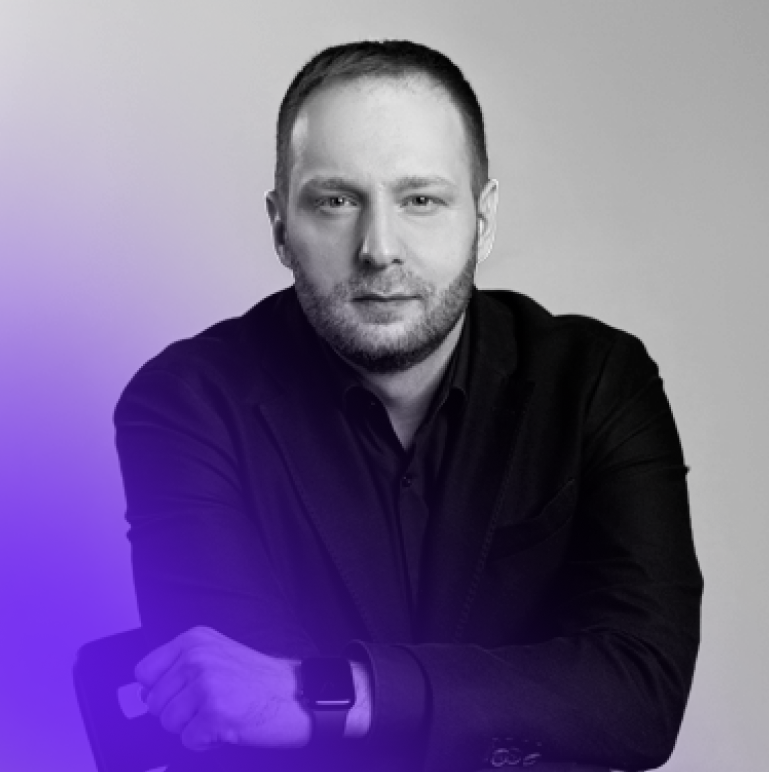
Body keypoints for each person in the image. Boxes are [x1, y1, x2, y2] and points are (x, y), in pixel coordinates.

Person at [114, 40, 703, 772]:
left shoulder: (597, 381)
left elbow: (641, 696)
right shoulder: (185, 404)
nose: (379, 248)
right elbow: (232, 720)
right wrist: (517, 702)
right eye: (335, 201)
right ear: (280, 226)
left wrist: (340, 695)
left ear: (483, 219)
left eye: (421, 199)